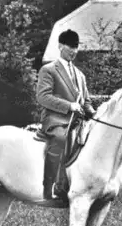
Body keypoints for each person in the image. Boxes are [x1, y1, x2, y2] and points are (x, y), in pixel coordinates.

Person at [36, 29, 96, 200]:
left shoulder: (80, 75)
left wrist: (91, 111)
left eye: (76, 47)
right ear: (60, 46)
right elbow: (43, 97)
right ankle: (49, 188)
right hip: (55, 120)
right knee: (60, 138)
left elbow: (86, 100)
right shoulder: (48, 70)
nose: (74, 51)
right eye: (70, 46)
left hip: (77, 121)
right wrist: (69, 106)